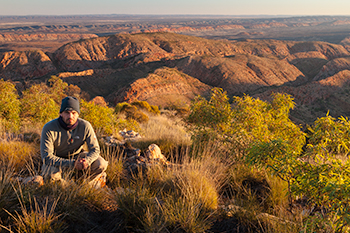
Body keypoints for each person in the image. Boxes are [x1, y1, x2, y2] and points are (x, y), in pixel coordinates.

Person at [40, 96, 108, 186]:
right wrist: (72, 164)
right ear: (61, 113)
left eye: (74, 113)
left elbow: (95, 149)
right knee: (50, 175)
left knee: (101, 164)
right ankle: (67, 187)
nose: (70, 116)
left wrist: (87, 161)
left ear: (78, 114)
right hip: (57, 161)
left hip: (78, 158)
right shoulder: (49, 127)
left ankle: (81, 182)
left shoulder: (85, 126)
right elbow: (46, 157)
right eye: (67, 113)